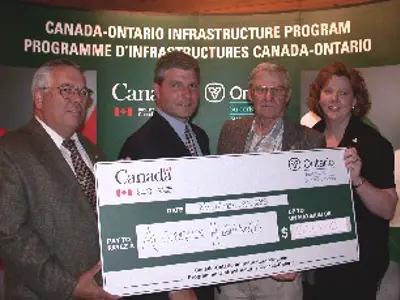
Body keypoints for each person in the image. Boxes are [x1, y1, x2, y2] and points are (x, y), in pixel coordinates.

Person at [0, 59, 118, 300]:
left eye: (83, 92)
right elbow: (9, 232)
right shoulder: (11, 149)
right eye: (67, 90)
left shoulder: (94, 152)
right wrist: (69, 287)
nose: (78, 99)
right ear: (39, 98)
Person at [216, 62, 325, 300]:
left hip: (281, 272)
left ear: (287, 96)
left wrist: (300, 258)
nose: (268, 96)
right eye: (261, 89)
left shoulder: (311, 140)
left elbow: (315, 207)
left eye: (276, 90)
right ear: (250, 94)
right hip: (234, 268)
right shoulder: (230, 131)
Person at [119, 51, 214, 300]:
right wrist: (171, 285)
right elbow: (134, 228)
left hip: (203, 271)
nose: (187, 93)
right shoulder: (139, 145)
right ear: (157, 90)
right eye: (176, 85)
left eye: (192, 85)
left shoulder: (200, 136)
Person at [307, 61, 398, 300]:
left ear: (355, 100)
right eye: (328, 91)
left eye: (343, 93)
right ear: (319, 97)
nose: (334, 99)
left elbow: (388, 208)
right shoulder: (307, 140)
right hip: (315, 264)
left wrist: (357, 180)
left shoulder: (375, 144)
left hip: (357, 266)